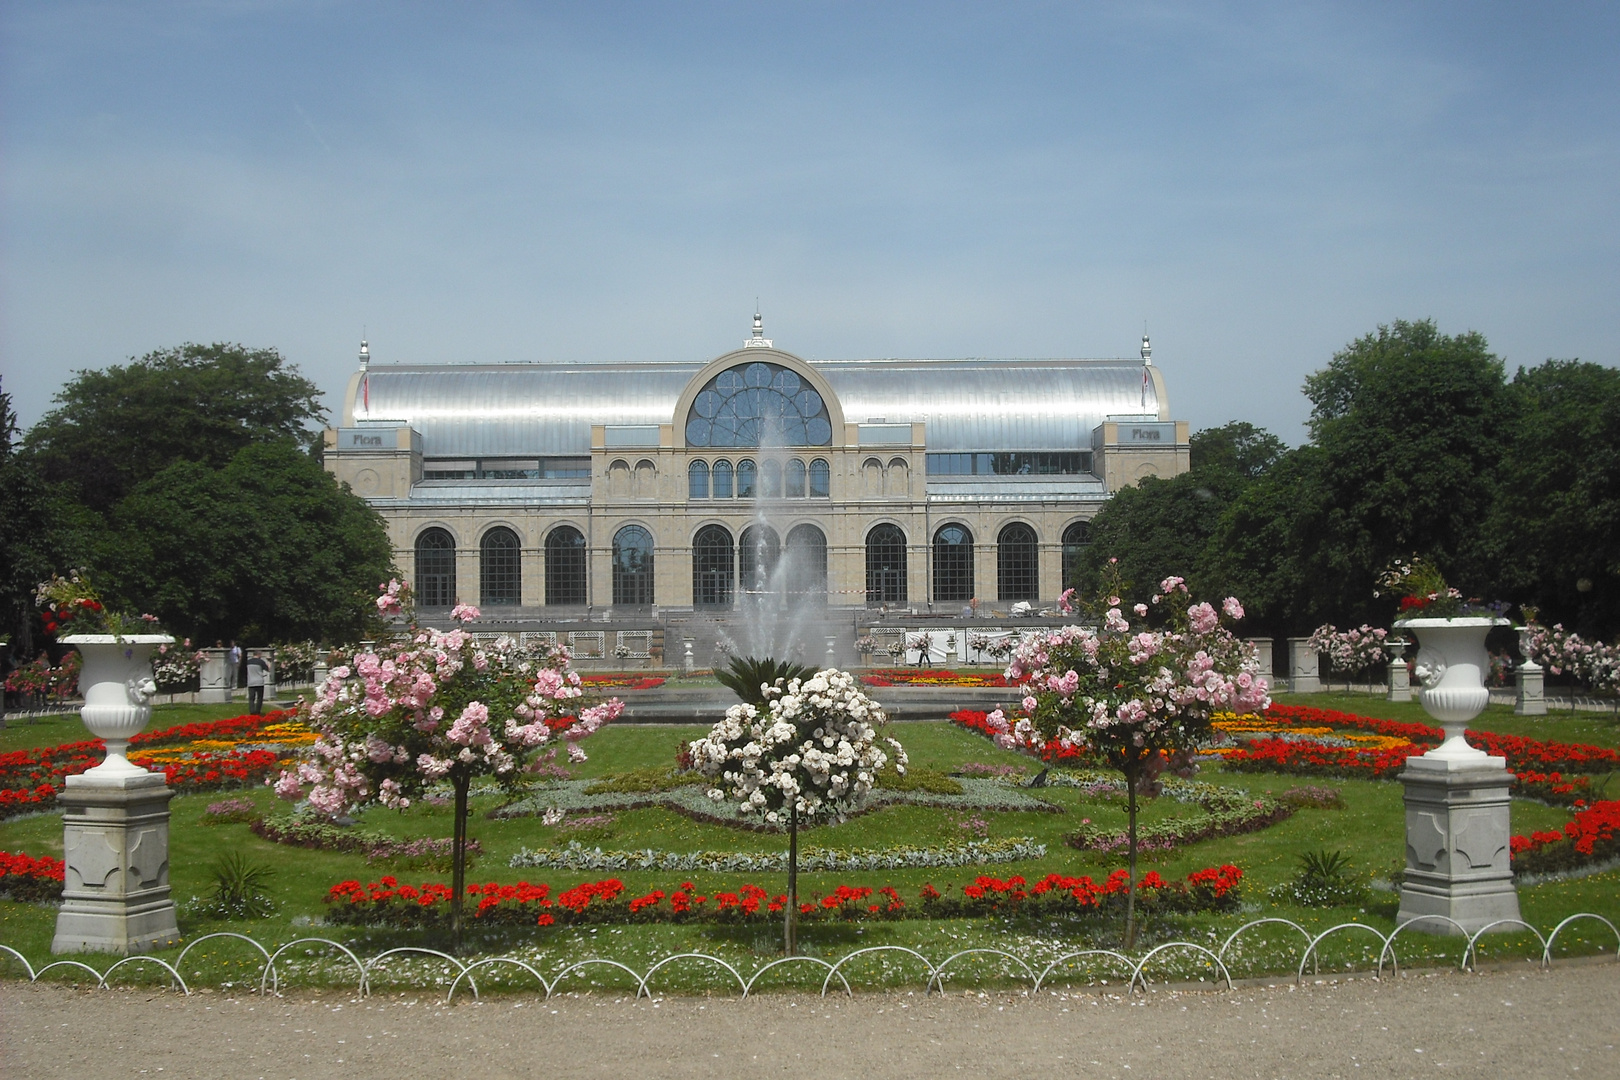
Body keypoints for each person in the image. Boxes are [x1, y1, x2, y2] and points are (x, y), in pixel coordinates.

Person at [244, 649, 270, 716]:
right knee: (259, 697)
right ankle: (258, 711)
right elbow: (268, 669)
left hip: (251, 682)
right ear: (259, 654)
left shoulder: (248, 662)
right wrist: (269, 661)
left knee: (251, 698)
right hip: (259, 681)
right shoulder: (261, 662)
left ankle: (252, 711)